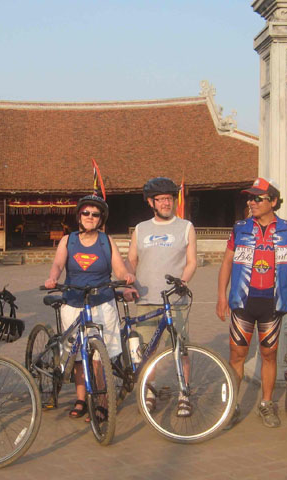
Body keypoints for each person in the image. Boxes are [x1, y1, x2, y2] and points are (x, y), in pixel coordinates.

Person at [216, 177, 287, 428]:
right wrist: (221, 296)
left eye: (257, 198)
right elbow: (226, 262)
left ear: (273, 202)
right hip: (242, 302)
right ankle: (232, 404)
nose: (251, 202)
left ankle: (266, 403)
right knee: (237, 355)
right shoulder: (240, 228)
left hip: (273, 305)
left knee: (269, 354)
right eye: (249, 198)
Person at [44, 195, 134, 420]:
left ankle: (102, 401)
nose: (90, 217)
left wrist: (127, 278)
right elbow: (57, 264)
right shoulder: (68, 240)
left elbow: (119, 269)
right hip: (74, 300)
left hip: (102, 300)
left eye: (95, 214)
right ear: (79, 216)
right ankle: (81, 398)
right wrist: (53, 278)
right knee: (77, 355)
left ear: (100, 218)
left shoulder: (106, 241)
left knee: (99, 356)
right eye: (86, 213)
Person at [125, 177, 197, 417]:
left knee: (180, 348)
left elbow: (192, 261)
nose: (167, 203)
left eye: (169, 198)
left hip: (174, 299)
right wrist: (127, 279)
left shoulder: (186, 226)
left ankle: (184, 392)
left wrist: (183, 282)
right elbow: (132, 259)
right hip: (145, 298)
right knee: (146, 351)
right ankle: (150, 391)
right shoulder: (141, 228)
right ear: (151, 202)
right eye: (161, 199)